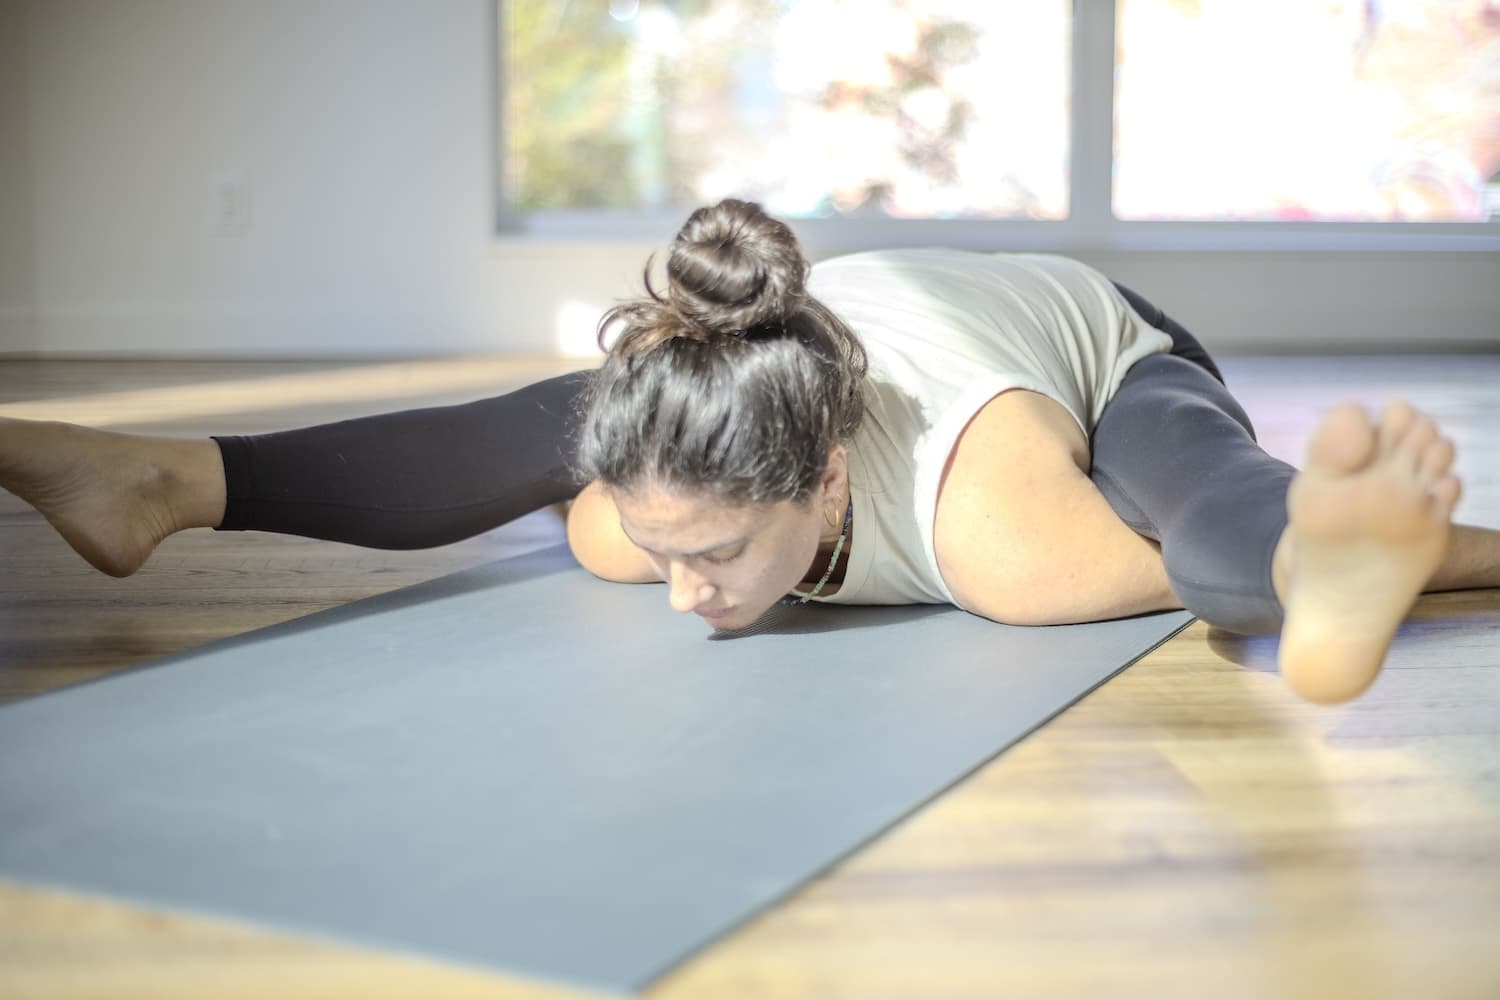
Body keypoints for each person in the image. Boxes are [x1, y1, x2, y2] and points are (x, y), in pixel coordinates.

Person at [1, 200, 1496, 706]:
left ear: (832, 481)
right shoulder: (676, 433)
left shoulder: (998, 530)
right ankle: (160, 480)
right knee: (571, 421)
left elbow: (1190, 540)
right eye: (665, 551)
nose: (681, 594)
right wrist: (661, 527)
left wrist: (1412, 547)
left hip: (1095, 344)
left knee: (1196, 487)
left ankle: (1321, 564)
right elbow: (631, 491)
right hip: (819, 341)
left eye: (713, 556)